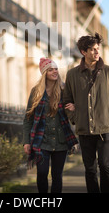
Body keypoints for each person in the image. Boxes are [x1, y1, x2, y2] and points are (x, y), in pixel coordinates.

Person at [63, 33, 109, 193]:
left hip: (105, 129)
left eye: (98, 49)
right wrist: (75, 118)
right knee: (89, 169)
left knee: (105, 165)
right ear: (83, 52)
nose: (97, 52)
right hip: (84, 130)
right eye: (93, 49)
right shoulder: (72, 74)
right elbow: (66, 101)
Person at [23, 57, 78, 193]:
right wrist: (26, 141)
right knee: (41, 173)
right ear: (44, 73)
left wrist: (74, 109)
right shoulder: (36, 92)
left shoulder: (65, 90)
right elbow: (28, 118)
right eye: (50, 70)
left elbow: (73, 118)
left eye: (56, 69)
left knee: (56, 175)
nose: (55, 72)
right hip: (41, 140)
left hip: (61, 140)